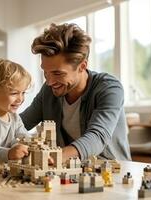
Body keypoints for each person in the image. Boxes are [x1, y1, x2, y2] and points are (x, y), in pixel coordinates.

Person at [20, 23, 131, 162]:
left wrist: (54, 156)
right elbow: (20, 124)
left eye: (58, 73)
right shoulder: (49, 90)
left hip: (113, 173)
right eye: (45, 72)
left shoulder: (109, 88)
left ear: (82, 66)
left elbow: (97, 136)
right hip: (71, 174)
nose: (49, 82)